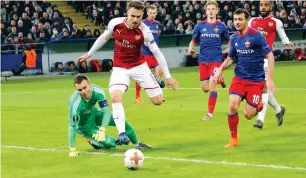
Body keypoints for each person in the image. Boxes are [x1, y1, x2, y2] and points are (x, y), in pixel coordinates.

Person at [77, 0, 179, 145]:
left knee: (157, 101)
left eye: (138, 17)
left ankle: (155, 78)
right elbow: (104, 37)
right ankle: (122, 133)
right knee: (115, 97)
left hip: (139, 66)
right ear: (127, 13)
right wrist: (90, 53)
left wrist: (168, 77)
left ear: (142, 15)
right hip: (120, 68)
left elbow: (157, 53)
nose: (135, 20)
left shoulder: (145, 31)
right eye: (133, 16)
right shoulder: (115, 24)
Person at [214, 9, 276, 148]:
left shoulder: (257, 36)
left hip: (255, 81)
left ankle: (258, 103)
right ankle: (234, 139)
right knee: (232, 105)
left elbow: (270, 56)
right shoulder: (235, 38)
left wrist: (269, 79)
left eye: (240, 19)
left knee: (248, 115)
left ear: (247, 20)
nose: (237, 22)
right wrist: (220, 69)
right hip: (239, 78)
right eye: (235, 19)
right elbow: (230, 59)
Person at [68, 74, 152, 157]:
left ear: (89, 84)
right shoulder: (75, 103)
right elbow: (72, 126)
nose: (83, 92)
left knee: (121, 122)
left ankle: (137, 145)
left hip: (94, 113)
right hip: (84, 126)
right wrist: (73, 150)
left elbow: (106, 111)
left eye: (84, 87)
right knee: (111, 143)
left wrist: (102, 129)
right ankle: (94, 141)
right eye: (79, 90)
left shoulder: (97, 91)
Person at [249, 0, 294, 129]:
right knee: (262, 89)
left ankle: (260, 120)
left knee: (263, 88)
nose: (263, 7)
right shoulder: (252, 21)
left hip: (266, 59)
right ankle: (279, 110)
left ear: (270, 7)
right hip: (253, 59)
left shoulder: (276, 22)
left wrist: (288, 43)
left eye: (266, 5)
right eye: (261, 5)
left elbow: (283, 37)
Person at [187, 0, 230, 121]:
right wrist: (190, 47)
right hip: (203, 60)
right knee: (205, 88)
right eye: (209, 9)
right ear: (206, 11)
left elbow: (230, 41)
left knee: (212, 83)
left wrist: (227, 50)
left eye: (213, 9)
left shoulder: (221, 26)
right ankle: (220, 78)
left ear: (216, 11)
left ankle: (209, 114)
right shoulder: (200, 26)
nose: (211, 11)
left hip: (216, 60)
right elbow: (193, 40)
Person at [135, 4, 164, 104]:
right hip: (145, 53)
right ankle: (137, 96)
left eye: (154, 13)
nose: (152, 15)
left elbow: (157, 35)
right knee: (141, 74)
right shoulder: (142, 23)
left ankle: (159, 94)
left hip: (155, 54)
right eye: (150, 13)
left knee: (160, 71)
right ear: (147, 13)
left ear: (156, 13)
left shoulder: (158, 24)